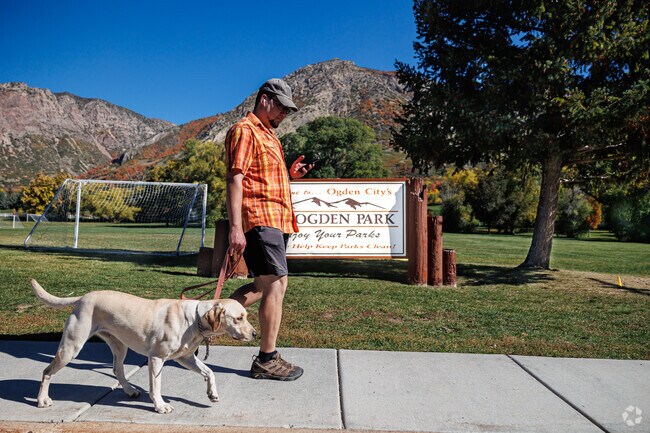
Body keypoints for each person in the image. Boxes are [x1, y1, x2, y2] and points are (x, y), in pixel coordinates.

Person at [224, 78, 313, 381]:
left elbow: (262, 177)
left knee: (262, 287)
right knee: (276, 284)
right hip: (260, 217)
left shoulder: (270, 136)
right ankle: (266, 359)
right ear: (264, 99)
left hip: (277, 218)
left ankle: (199, 323)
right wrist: (236, 227)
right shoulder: (245, 131)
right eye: (281, 108)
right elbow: (235, 178)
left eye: (288, 111)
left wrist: (291, 175)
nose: (284, 115)